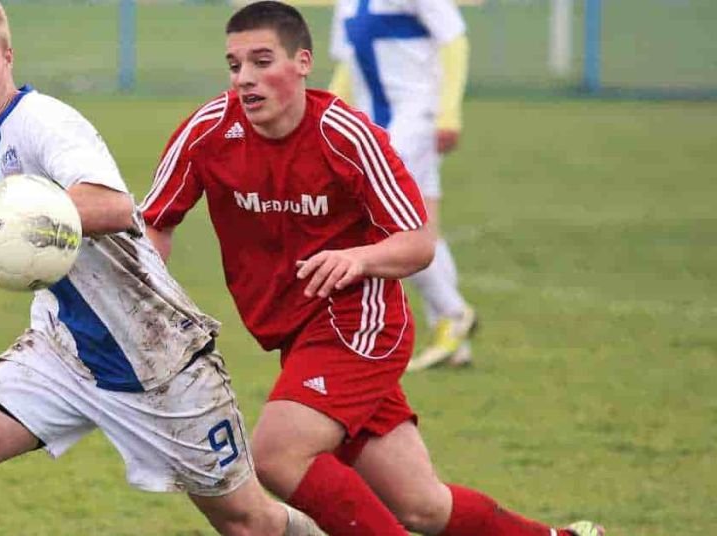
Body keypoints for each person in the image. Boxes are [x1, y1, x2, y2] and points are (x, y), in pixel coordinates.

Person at [140, 2, 602, 535]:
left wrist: (356, 258)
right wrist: (151, 302)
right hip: (295, 334)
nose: (245, 78)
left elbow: (418, 242)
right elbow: (155, 220)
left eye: (261, 61)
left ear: (302, 62)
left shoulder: (347, 136)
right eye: (235, 64)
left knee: (277, 453)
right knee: (422, 506)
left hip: (359, 324)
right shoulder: (208, 132)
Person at [0, 1, 322, 535]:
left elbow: (113, 207)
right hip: (65, 353)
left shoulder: (42, 122)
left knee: (250, 524)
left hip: (157, 361)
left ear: (8, 57)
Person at [328, 0, 476, 371]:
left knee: (388, 220)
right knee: (420, 225)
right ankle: (451, 336)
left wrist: (448, 113)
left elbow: (455, 41)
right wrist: (329, 114)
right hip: (376, 125)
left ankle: (452, 312)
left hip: (417, 118)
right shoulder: (347, 4)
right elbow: (348, 64)